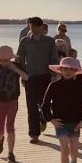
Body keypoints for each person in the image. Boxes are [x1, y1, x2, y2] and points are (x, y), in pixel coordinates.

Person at [41, 57, 82, 163]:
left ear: (75, 71)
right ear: (60, 70)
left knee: (73, 149)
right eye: (65, 68)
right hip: (60, 123)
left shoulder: (78, 86)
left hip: (75, 123)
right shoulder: (53, 86)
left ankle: (74, 161)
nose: (68, 71)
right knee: (64, 148)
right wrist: (50, 119)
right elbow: (44, 105)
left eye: (71, 69)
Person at [16, 16, 58, 144]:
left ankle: (44, 119)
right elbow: (20, 59)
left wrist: (54, 75)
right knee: (31, 107)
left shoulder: (50, 41)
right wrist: (22, 74)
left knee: (45, 105)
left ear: (41, 27)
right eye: (30, 26)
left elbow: (54, 59)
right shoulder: (24, 41)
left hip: (45, 77)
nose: (31, 28)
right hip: (30, 77)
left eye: (34, 26)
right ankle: (34, 134)